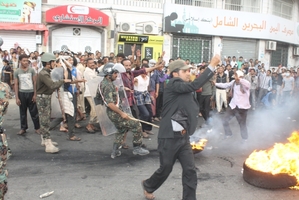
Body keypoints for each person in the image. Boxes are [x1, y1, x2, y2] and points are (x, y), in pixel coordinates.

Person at [142, 55, 220, 200]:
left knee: (190, 170)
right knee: (165, 168)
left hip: (183, 137)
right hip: (169, 137)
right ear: (175, 73)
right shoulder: (173, 83)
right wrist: (211, 66)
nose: (188, 73)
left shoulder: (183, 87)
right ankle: (148, 185)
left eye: (189, 70)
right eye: (185, 71)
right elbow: (194, 85)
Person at [98, 63, 150, 159]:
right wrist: (121, 113)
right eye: (115, 74)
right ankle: (137, 147)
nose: (116, 75)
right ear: (108, 74)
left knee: (122, 129)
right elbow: (110, 103)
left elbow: (101, 97)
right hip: (115, 112)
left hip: (113, 112)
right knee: (136, 125)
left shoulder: (105, 83)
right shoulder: (108, 86)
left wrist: (121, 88)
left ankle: (115, 150)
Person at [36, 53, 71, 153]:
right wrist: (63, 80)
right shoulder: (44, 74)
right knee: (45, 120)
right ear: (48, 63)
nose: (55, 64)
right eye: (53, 62)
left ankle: (44, 139)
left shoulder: (45, 72)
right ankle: (48, 144)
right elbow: (52, 85)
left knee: (45, 119)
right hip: (43, 99)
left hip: (45, 98)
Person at [214, 70, 250, 141]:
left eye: (237, 77)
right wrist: (215, 84)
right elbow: (225, 85)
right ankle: (228, 134)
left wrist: (240, 79)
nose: (235, 79)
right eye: (235, 77)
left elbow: (248, 84)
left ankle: (244, 139)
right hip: (233, 106)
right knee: (224, 120)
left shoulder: (245, 84)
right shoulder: (233, 83)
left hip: (242, 108)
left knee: (242, 124)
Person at [14, 54, 40, 135]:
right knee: (22, 112)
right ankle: (23, 128)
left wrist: (35, 94)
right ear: (20, 61)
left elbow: (35, 82)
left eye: (27, 61)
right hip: (22, 93)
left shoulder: (32, 70)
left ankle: (37, 128)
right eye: (24, 61)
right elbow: (16, 84)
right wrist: (17, 97)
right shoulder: (17, 71)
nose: (25, 62)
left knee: (34, 112)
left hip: (31, 92)